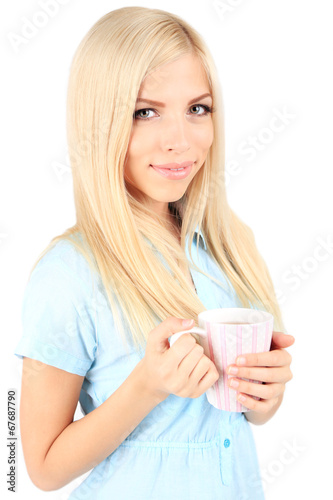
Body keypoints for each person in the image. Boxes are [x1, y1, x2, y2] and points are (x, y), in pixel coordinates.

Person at [14, 6, 294, 499]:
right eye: (146, 112)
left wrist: (266, 393)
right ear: (100, 124)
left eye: (197, 108)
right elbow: (39, 468)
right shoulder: (69, 274)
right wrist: (147, 383)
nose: (180, 141)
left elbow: (251, 414)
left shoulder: (232, 244)